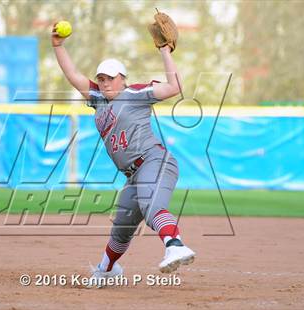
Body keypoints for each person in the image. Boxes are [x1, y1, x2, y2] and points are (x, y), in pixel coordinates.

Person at [51, 23, 195, 287]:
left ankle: (175, 245)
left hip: (155, 161)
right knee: (121, 228)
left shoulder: (134, 93)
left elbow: (174, 87)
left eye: (110, 78)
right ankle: (106, 269)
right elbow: (72, 74)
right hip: (133, 175)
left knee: (152, 206)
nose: (105, 82)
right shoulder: (97, 100)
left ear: (123, 78)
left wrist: (164, 50)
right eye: (102, 78)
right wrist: (58, 46)